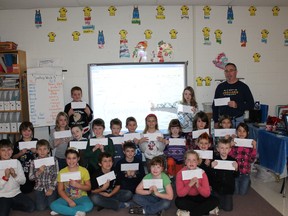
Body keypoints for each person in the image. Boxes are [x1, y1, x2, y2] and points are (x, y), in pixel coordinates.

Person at [50, 147, 93, 216]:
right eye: (69, 158)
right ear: (66, 159)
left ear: (78, 159)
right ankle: (76, 213)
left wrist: (78, 185)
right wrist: (69, 201)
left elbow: (88, 187)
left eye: (74, 158)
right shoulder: (62, 172)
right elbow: (60, 190)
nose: (71, 161)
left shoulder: (84, 170)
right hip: (66, 197)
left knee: (89, 206)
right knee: (53, 205)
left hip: (81, 197)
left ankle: (63, 210)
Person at [175, 150, 219, 216]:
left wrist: (198, 186)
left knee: (215, 200)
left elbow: (207, 194)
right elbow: (180, 194)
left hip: (200, 196)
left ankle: (190, 213)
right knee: (178, 202)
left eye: (194, 160)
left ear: (198, 162)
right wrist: (189, 184)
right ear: (185, 162)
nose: (191, 162)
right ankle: (205, 211)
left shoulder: (202, 173)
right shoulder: (180, 174)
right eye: (189, 160)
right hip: (187, 197)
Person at [212, 63, 254, 128]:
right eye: (226, 71)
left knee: (237, 138)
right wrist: (216, 121)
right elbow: (214, 105)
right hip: (223, 122)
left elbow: (251, 105)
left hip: (238, 121)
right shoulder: (220, 87)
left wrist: (237, 105)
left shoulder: (243, 87)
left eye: (231, 70)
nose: (229, 73)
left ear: (236, 72)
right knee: (223, 138)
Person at [0, 139, 35, 216]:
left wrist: (14, 175)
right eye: (3, 150)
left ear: (12, 151)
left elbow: (23, 181)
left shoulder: (16, 162)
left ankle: (12, 206)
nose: (6, 152)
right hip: (3, 195)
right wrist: (5, 177)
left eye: (9, 149)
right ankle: (7, 205)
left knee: (31, 207)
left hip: (16, 193)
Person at [29, 139, 58, 211]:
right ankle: (42, 198)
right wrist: (38, 172)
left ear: (48, 150)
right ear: (36, 151)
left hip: (50, 186)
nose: (42, 151)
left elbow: (56, 175)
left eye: (45, 149)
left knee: (52, 206)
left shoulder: (53, 160)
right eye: (40, 149)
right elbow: (30, 178)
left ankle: (52, 196)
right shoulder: (33, 162)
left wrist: (51, 188)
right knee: (41, 208)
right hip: (39, 187)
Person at [210, 138, 239, 211]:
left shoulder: (233, 161)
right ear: (218, 149)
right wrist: (212, 168)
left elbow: (236, 175)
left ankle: (223, 198)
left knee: (228, 209)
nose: (224, 150)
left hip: (228, 188)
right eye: (222, 148)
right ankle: (216, 197)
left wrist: (236, 169)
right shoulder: (214, 160)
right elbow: (211, 176)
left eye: (226, 148)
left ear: (229, 149)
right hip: (217, 188)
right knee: (218, 206)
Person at [229, 122, 257, 195]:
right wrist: (230, 147)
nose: (241, 133)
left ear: (247, 133)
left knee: (242, 193)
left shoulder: (250, 144)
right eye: (239, 130)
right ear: (236, 132)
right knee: (235, 192)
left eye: (244, 131)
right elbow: (230, 157)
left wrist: (254, 148)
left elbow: (251, 160)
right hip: (235, 173)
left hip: (245, 173)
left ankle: (248, 182)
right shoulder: (234, 143)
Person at [12, 121, 38, 194]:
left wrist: (36, 151)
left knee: (35, 187)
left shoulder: (36, 141)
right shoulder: (18, 143)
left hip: (35, 169)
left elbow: (43, 153)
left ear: (32, 131)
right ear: (21, 132)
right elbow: (13, 157)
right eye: (24, 131)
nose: (26, 133)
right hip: (23, 170)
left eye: (29, 130)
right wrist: (21, 153)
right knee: (24, 188)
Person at [177, 86, 198, 151]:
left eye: (189, 94)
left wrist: (194, 112)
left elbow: (195, 120)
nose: (187, 96)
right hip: (182, 131)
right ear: (183, 95)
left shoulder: (195, 105)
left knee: (190, 148)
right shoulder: (180, 105)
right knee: (183, 148)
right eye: (185, 94)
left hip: (191, 131)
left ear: (192, 95)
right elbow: (180, 117)